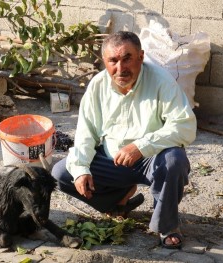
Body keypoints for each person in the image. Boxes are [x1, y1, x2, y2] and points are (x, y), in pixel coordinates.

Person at [51, 31, 197, 249]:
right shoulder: (98, 86)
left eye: (127, 58)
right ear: (105, 62)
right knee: (61, 173)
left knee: (175, 160)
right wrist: (81, 169)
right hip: (112, 161)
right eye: (113, 61)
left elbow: (185, 126)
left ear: (141, 57)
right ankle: (118, 200)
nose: (121, 68)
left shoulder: (161, 81)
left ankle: (167, 225)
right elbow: (85, 133)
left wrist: (141, 146)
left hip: (152, 159)